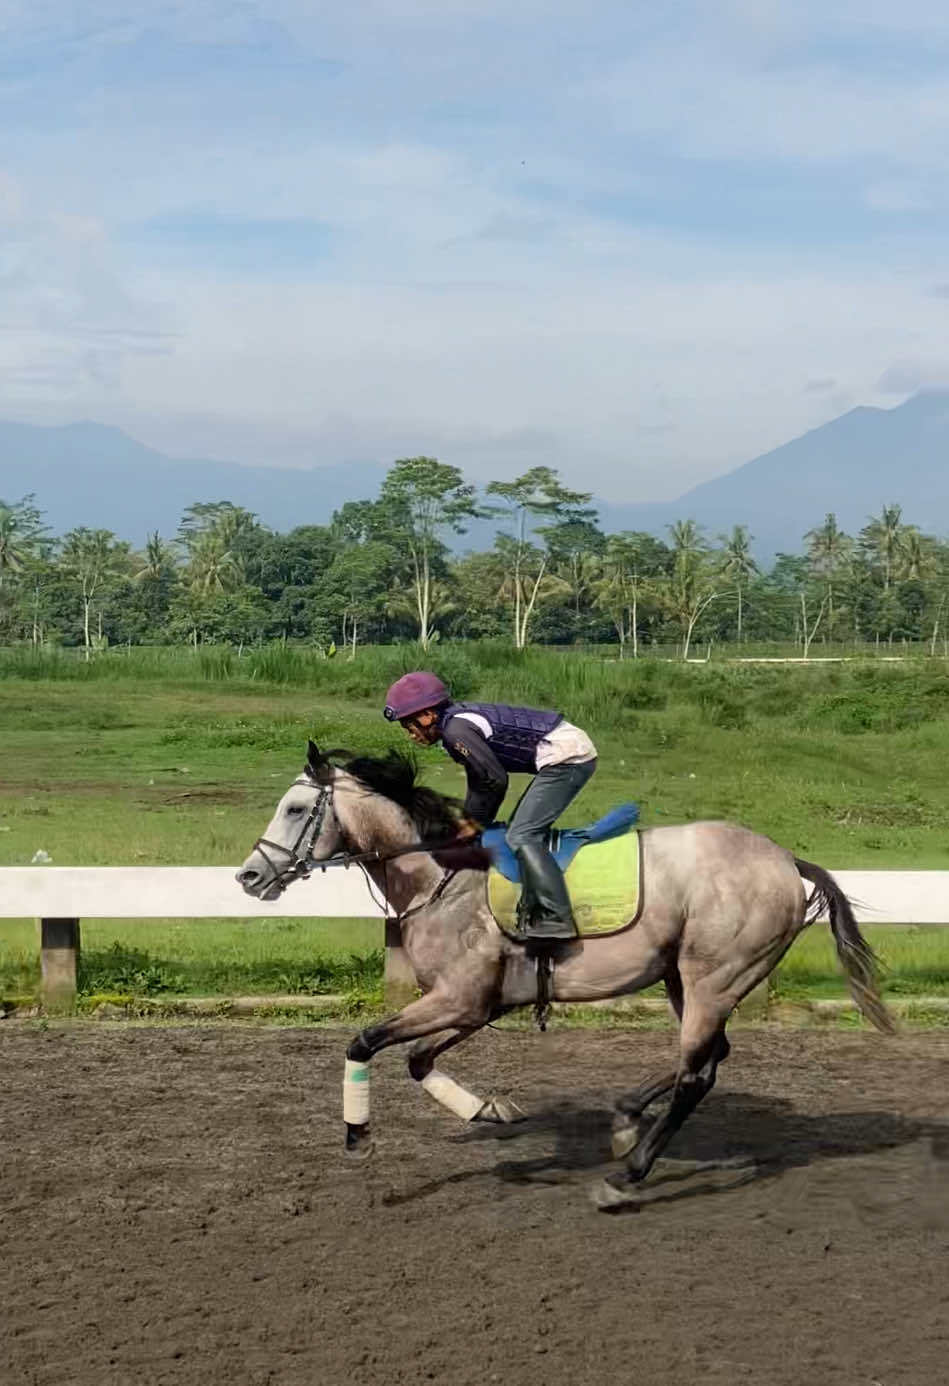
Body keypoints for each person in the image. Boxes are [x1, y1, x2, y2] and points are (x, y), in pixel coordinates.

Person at [383, 671, 597, 946]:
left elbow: (493, 780)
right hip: (563, 754)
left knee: (522, 836)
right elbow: (480, 779)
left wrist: (474, 824)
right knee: (518, 832)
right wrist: (471, 822)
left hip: (569, 757)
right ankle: (532, 913)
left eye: (408, 724)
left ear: (426, 715)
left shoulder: (454, 731)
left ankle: (556, 918)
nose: (410, 734)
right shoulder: (455, 725)